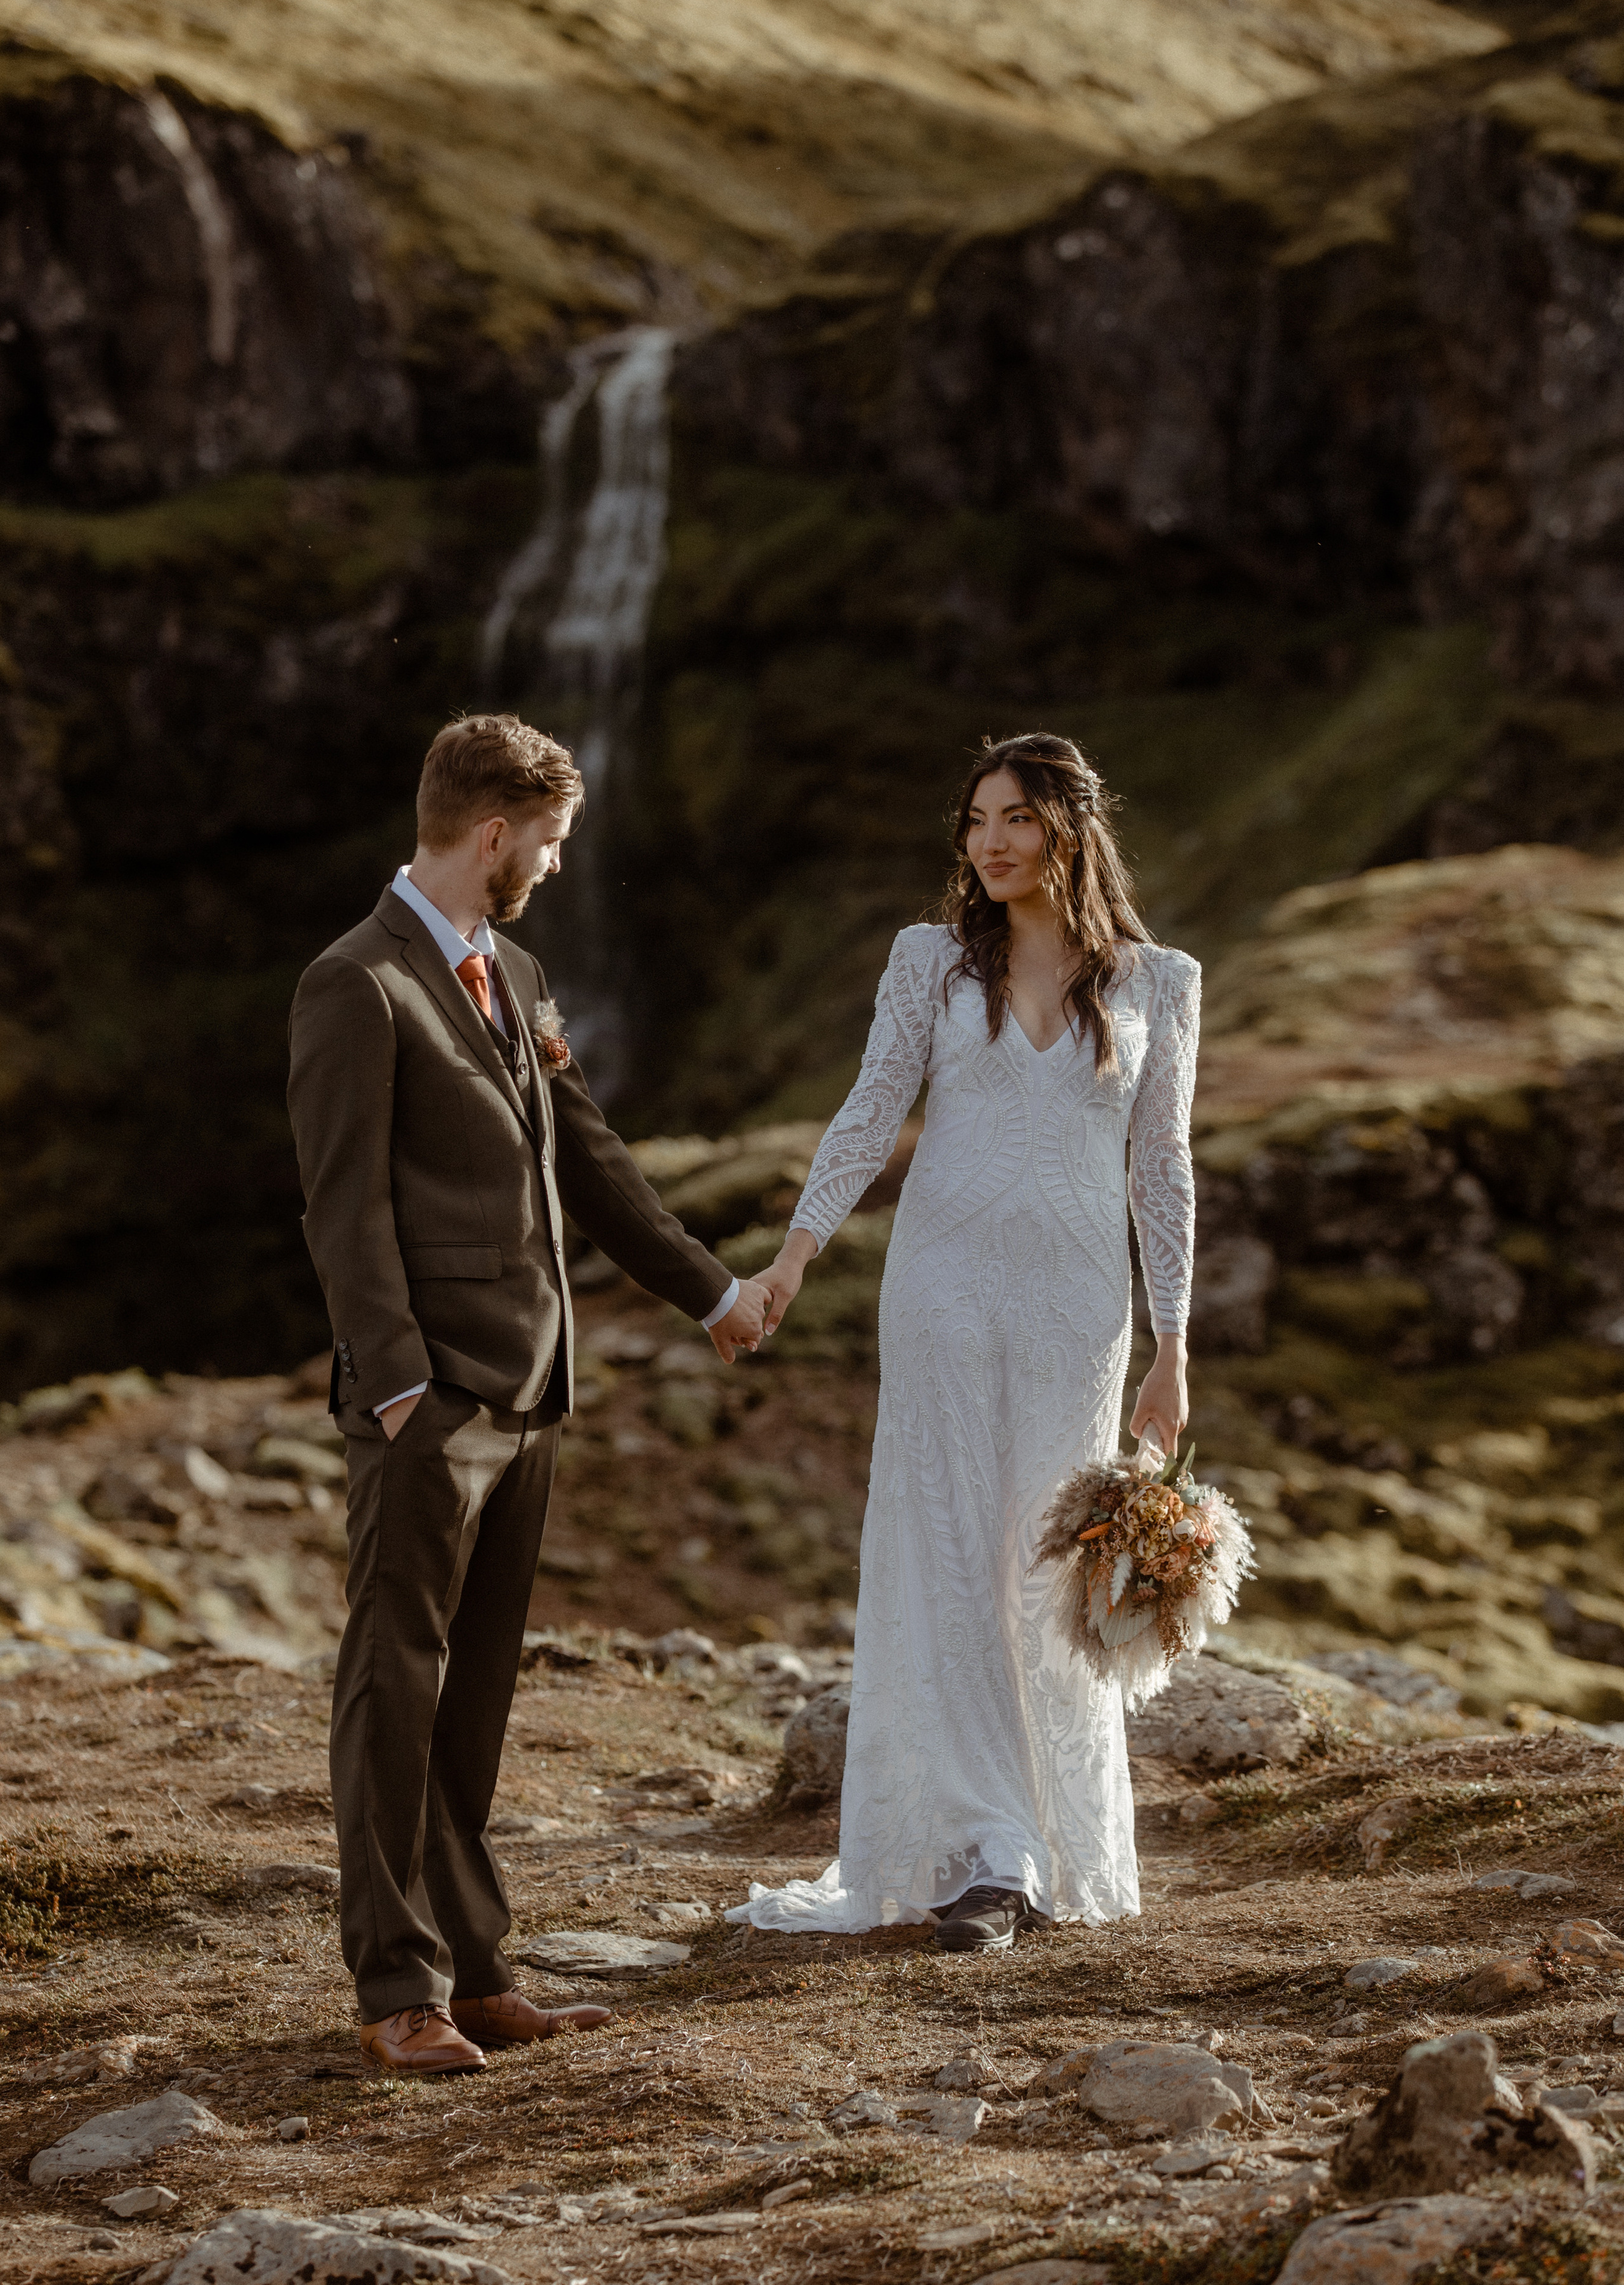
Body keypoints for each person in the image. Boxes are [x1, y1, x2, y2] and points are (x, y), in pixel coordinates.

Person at [288, 714, 769, 2072]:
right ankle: (397, 1989)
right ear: (491, 834)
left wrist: (712, 1294)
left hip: (532, 1388)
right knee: (394, 1690)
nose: (556, 867)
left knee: (475, 1695)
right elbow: (343, 1210)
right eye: (548, 844)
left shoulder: (517, 966)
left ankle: (479, 1967)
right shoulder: (355, 984)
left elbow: (589, 1153)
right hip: (427, 1403)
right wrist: (394, 1390)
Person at [727, 733, 1199, 1952]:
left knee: (1045, 1560)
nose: (989, 841)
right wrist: (795, 1252)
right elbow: (875, 1103)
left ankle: (1043, 1839)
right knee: (944, 1544)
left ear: (1070, 831)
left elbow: (1163, 1165)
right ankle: (986, 1850)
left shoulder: (1160, 983)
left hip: (1080, 1304)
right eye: (976, 819)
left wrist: (1173, 1342)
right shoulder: (930, 962)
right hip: (940, 1287)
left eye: (1016, 819)